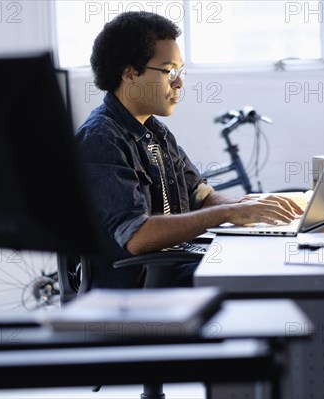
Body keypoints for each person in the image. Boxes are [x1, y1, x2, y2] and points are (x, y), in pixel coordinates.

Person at [76, 11, 302, 288]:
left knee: (269, 260)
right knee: (263, 278)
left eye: (180, 71)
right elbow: (137, 237)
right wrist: (226, 214)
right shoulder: (101, 139)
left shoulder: (156, 132)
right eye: (169, 70)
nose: (179, 82)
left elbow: (200, 195)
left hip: (172, 267)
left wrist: (248, 206)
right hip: (139, 288)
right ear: (129, 73)